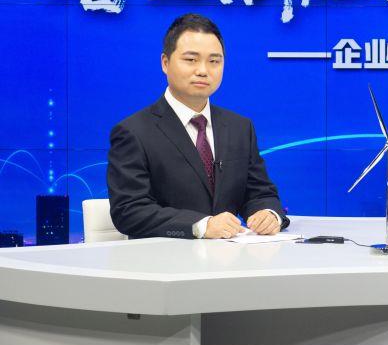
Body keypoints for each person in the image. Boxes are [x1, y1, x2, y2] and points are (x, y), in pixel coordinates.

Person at [107, 13, 288, 239]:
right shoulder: (134, 132)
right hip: (164, 257)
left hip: (230, 257)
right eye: (191, 60)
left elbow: (259, 193)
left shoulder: (240, 128)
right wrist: (201, 225)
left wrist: (268, 214)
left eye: (214, 61)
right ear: (165, 63)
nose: (203, 70)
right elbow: (130, 211)